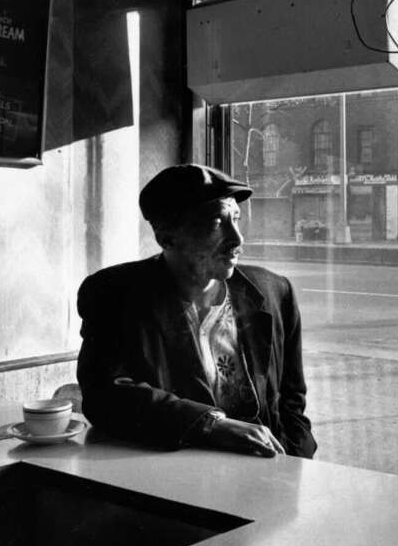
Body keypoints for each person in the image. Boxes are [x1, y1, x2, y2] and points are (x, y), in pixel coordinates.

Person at [76, 164, 317, 458]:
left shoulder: (274, 293)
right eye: (217, 222)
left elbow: (292, 399)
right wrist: (213, 426)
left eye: (236, 219)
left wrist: (296, 458)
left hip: (270, 472)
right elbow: (105, 395)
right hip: (175, 478)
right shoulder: (115, 295)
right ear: (167, 237)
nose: (237, 240)